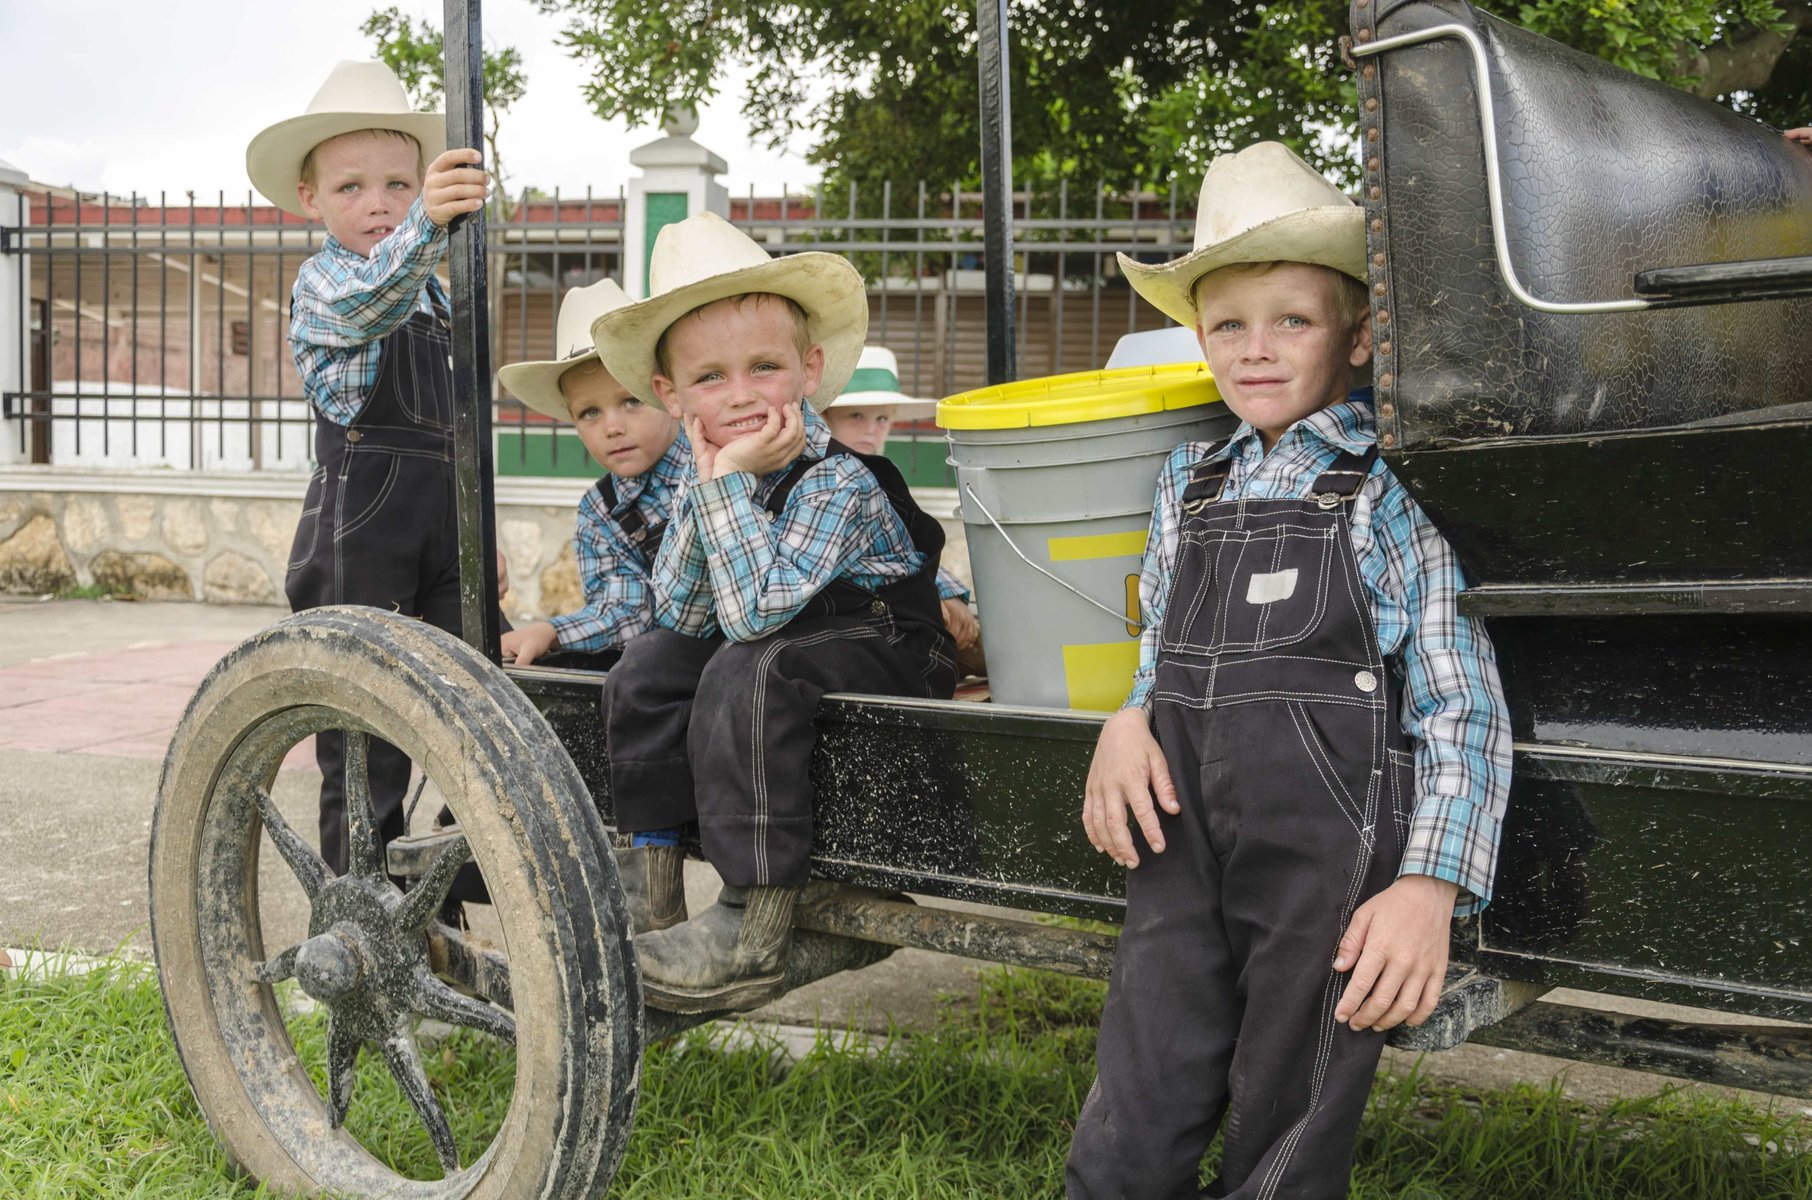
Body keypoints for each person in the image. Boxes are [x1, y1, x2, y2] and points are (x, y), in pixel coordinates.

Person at [1065, 142, 1512, 1199]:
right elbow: (1160, 642)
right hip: (1178, 836)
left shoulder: (1381, 492)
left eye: (1293, 321)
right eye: (1228, 324)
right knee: (1144, 1061)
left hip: (1328, 842)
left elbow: (1463, 701)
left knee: (1293, 1088)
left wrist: (1426, 887)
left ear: (1357, 337)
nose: (1254, 350)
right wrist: (1127, 720)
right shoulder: (1190, 480)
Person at [591, 212, 957, 1009]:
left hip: (886, 640)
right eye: (711, 378)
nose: (744, 395)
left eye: (764, 367)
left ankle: (750, 928)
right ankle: (646, 892)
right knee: (649, 664)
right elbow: (682, 616)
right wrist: (714, 486)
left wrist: (722, 487)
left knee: (750, 664)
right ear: (670, 393)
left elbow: (755, 615)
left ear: (809, 368)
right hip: (791, 640)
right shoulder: (708, 472)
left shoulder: (838, 479)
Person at [248, 60, 493, 877]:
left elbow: (458, 410)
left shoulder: (435, 295)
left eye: (398, 183)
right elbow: (370, 303)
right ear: (310, 200)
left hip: (440, 527)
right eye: (352, 188)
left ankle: (447, 886)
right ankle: (361, 916)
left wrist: (477, 533)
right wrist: (429, 224)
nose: (381, 203)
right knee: (366, 746)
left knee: (479, 707)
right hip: (362, 535)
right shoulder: (325, 284)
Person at [495, 278, 691, 933]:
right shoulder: (600, 508)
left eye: (630, 401)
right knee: (565, 689)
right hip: (669, 644)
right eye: (589, 413)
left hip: (734, 635)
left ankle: (655, 871)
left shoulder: (710, 464)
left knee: (643, 672)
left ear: (667, 392)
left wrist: (552, 625)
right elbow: (625, 605)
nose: (612, 425)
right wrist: (554, 635)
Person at [822, 345, 982, 672]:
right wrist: (927, 597)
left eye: (882, 418)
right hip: (865, 623)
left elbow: (909, 548)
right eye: (856, 416)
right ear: (825, 418)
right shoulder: (826, 485)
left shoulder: (884, 479)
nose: (872, 429)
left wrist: (946, 591)